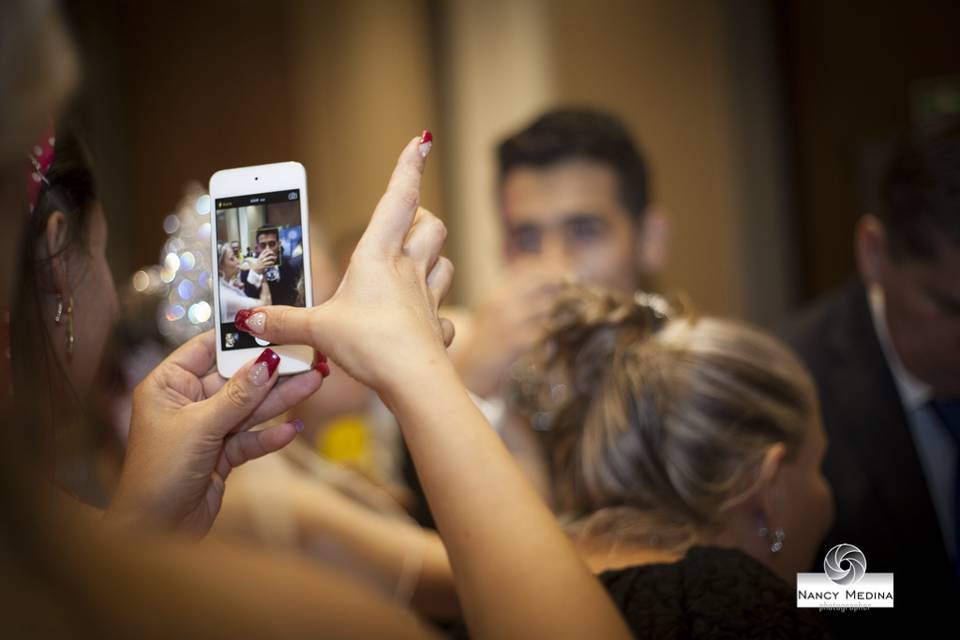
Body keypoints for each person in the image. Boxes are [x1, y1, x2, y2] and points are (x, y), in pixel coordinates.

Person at [782, 121, 960, 632]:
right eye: (952, 307)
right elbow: (784, 581)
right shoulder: (789, 385)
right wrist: (907, 594)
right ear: (874, 253)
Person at [243, 225, 304, 307]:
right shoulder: (248, 269)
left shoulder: (288, 264)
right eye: (263, 245)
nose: (267, 249)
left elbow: (292, 296)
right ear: (257, 247)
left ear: (278, 244)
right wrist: (257, 272)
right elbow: (248, 298)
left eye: (272, 244)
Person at [218, 242, 270, 323]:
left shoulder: (227, 283)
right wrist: (262, 273)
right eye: (232, 259)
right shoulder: (226, 296)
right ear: (220, 267)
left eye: (235, 256)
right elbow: (266, 304)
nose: (237, 261)